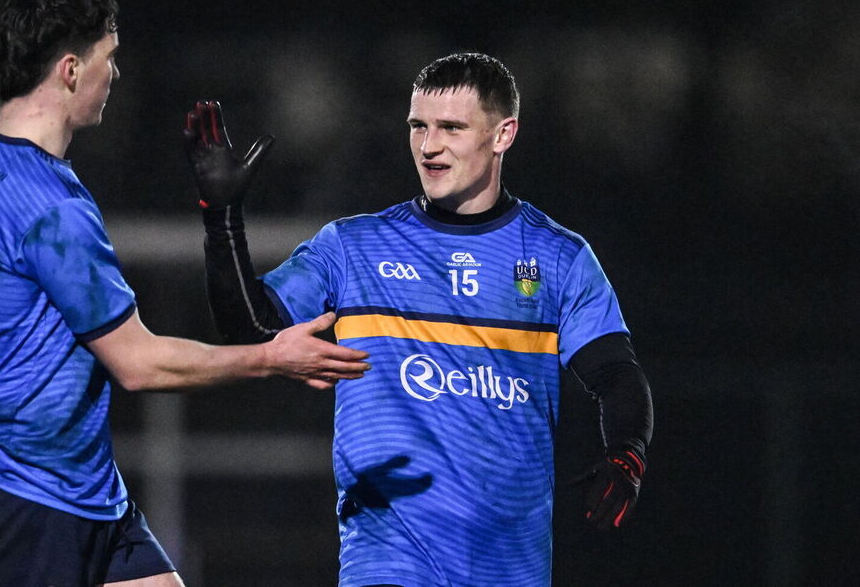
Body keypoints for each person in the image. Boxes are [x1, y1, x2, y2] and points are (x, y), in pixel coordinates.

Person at [0, 0, 370, 587]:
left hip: (76, 486)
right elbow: (139, 364)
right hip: (26, 500)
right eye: (108, 57)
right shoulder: (51, 208)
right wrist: (271, 358)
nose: (116, 74)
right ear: (70, 70)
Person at [186, 52, 654, 587]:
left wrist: (627, 455)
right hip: (386, 560)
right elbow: (250, 329)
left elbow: (615, 374)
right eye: (418, 126)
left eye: (451, 128)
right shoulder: (353, 247)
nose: (429, 146)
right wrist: (222, 221)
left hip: (509, 567)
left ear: (503, 135)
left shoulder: (557, 257)